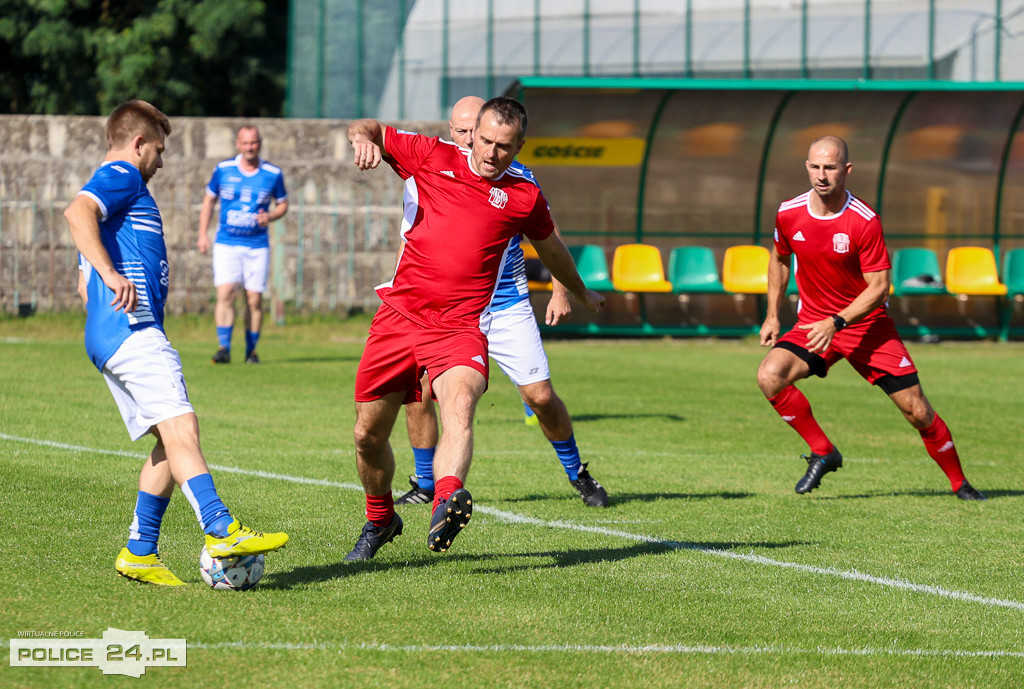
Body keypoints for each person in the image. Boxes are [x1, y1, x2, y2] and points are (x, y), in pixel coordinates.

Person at [345, 97, 606, 561]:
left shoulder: (524, 195)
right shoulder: (430, 156)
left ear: (520, 146)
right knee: (368, 435)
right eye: (483, 140)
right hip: (400, 318)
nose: (489, 153)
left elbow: (551, 249)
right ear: (467, 133)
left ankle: (447, 499)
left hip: (463, 325)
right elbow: (371, 127)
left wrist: (578, 291)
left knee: (461, 404)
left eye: (504, 147)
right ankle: (381, 519)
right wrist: (361, 138)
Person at [65, 100, 289, 586]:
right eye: (159, 151)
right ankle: (221, 528)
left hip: (111, 335)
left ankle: (140, 551)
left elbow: (83, 283)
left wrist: (102, 281)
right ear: (138, 143)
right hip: (134, 330)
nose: (161, 163)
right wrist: (112, 276)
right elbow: (75, 210)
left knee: (170, 441)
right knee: (183, 425)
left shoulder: (115, 206)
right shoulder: (122, 174)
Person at [756, 135, 986, 500]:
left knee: (917, 411)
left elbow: (880, 287)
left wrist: (837, 322)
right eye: (815, 166)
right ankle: (823, 452)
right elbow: (779, 258)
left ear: (846, 170)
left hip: (866, 327)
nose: (821, 175)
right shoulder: (789, 212)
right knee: (770, 376)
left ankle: (961, 484)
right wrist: (772, 315)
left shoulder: (864, 221)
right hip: (814, 324)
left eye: (830, 167)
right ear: (806, 167)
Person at [197, 125, 288, 365]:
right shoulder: (224, 170)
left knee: (254, 299)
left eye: (254, 143)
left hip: (257, 245)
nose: (250, 147)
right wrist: (202, 234)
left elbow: (282, 204)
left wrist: (270, 216)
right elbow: (209, 201)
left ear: (260, 144)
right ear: (238, 144)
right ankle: (223, 347)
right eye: (245, 143)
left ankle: (251, 350)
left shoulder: (272, 173)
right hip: (227, 242)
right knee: (226, 293)